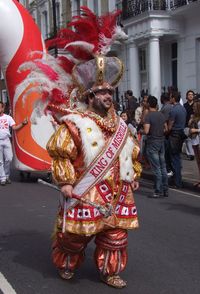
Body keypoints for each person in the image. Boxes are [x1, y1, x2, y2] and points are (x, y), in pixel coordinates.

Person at [46, 59, 142, 288]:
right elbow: (62, 154)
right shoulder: (74, 124)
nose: (109, 96)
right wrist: (66, 181)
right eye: (102, 92)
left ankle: (109, 272)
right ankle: (67, 264)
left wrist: (133, 175)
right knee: (74, 237)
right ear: (90, 97)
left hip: (118, 191)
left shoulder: (119, 125)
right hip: (86, 191)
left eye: (110, 91)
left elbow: (130, 152)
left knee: (115, 237)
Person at [143, 96, 168, 198]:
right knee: (163, 166)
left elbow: (146, 131)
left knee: (156, 168)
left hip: (152, 142)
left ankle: (158, 190)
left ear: (148, 104)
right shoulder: (161, 115)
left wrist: (141, 131)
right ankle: (165, 190)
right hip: (161, 141)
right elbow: (166, 129)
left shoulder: (148, 116)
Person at [0, 101, 28, 185]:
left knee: (9, 158)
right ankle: (3, 178)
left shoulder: (8, 118)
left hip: (6, 140)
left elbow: (15, 128)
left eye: (0, 107)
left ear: (3, 108)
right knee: (0, 161)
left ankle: (6, 175)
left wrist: (23, 124)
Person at [168, 91, 187, 188]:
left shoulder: (173, 110)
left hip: (174, 135)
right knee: (178, 158)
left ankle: (177, 182)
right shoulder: (183, 109)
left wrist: (166, 131)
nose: (169, 99)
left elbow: (170, 126)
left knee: (174, 159)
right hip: (181, 134)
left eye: (170, 97)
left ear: (173, 98)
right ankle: (178, 180)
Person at [160, 92, 174, 176]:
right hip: (168, 133)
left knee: (167, 153)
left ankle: (169, 170)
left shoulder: (166, 108)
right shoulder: (170, 106)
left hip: (166, 133)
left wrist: (165, 131)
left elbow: (164, 121)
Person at [188, 100, 200, 187]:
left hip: (199, 141)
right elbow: (189, 125)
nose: (193, 108)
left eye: (195, 107)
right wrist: (191, 119)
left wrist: (195, 130)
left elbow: (194, 129)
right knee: (198, 162)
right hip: (194, 141)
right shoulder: (194, 117)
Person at [184, 90, 195, 160]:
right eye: (189, 94)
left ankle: (192, 153)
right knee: (188, 140)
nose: (190, 96)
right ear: (186, 96)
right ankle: (190, 154)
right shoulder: (184, 106)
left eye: (192, 94)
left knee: (194, 140)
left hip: (195, 125)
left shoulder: (196, 105)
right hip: (186, 125)